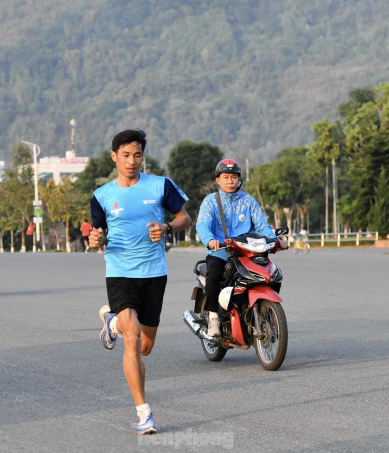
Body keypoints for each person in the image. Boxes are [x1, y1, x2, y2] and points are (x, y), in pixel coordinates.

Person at [89, 129, 191, 435]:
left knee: (145, 347)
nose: (132, 161)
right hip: (119, 271)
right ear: (114, 157)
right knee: (132, 339)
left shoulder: (160, 185)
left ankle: (113, 323)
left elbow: (185, 216)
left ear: (142, 157)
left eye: (137, 155)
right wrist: (96, 237)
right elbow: (98, 232)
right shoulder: (102, 195)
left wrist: (168, 226)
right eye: (125, 155)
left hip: (154, 272)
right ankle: (143, 412)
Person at [195, 158, 274, 338]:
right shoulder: (210, 201)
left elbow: (262, 225)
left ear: (239, 179)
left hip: (246, 251)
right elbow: (202, 225)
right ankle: (214, 316)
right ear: (218, 180)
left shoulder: (248, 201)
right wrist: (210, 240)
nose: (230, 181)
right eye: (226, 177)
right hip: (220, 250)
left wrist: (275, 239)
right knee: (214, 272)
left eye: (234, 177)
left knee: (267, 272)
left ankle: (262, 309)